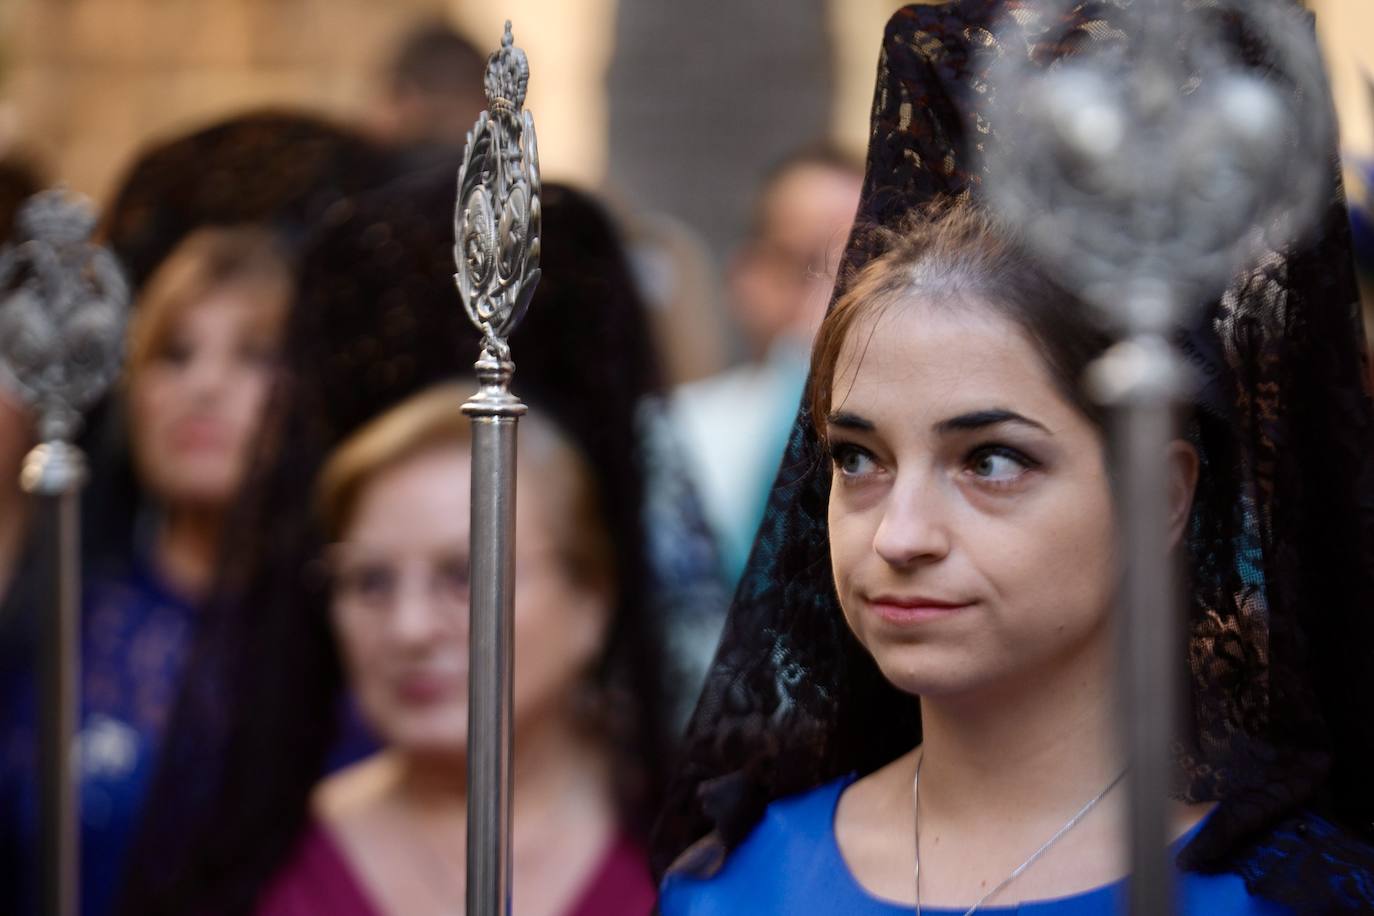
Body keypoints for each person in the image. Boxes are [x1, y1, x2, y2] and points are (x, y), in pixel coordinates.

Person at [654, 3, 1374, 913]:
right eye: (856, 459)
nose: (899, 536)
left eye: (991, 460)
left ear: (1162, 495)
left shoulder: (1282, 898)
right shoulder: (733, 885)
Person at [115, 176, 723, 916]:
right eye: (369, 582)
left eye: (466, 576)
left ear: (593, 595)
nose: (407, 629)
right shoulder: (259, 875)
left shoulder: (698, 863)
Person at [0, 225, 292, 916]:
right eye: (174, 354)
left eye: (253, 355)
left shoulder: (343, 630)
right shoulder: (60, 617)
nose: (205, 386)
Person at [671, 145, 862, 583]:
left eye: (860, 271)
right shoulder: (676, 433)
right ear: (747, 276)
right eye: (807, 266)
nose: (831, 303)